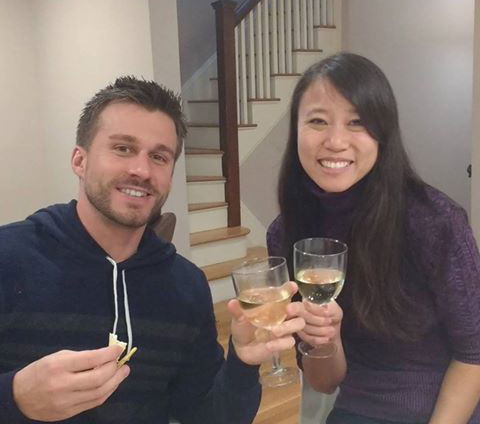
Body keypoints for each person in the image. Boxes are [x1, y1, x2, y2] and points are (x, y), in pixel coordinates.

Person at [0, 76, 304, 423]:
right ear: (79, 161)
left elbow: (207, 416)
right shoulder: (9, 258)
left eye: (159, 157)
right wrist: (14, 397)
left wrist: (242, 362)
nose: (141, 170)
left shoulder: (185, 286)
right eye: (123, 148)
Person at [267, 53, 480, 423]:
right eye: (317, 121)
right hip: (357, 407)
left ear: (383, 134)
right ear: (295, 130)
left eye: (358, 122)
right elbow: (324, 383)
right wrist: (327, 338)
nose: (336, 141)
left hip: (446, 409)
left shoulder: (434, 222)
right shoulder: (287, 233)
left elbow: (474, 354)